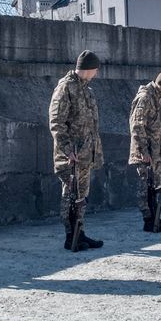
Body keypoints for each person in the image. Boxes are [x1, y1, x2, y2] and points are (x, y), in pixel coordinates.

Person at [49, 50, 105, 251]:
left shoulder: (86, 90)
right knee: (70, 195)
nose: (96, 74)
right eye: (96, 70)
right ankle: (70, 236)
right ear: (90, 69)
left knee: (81, 197)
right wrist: (66, 149)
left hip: (85, 154)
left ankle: (80, 233)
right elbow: (56, 122)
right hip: (71, 155)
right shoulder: (66, 87)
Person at [129, 70, 161, 232]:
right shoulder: (146, 98)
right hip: (146, 153)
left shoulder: (160, 98)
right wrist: (144, 151)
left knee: (155, 187)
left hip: (156, 152)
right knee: (145, 187)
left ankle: (156, 217)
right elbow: (136, 126)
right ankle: (148, 220)